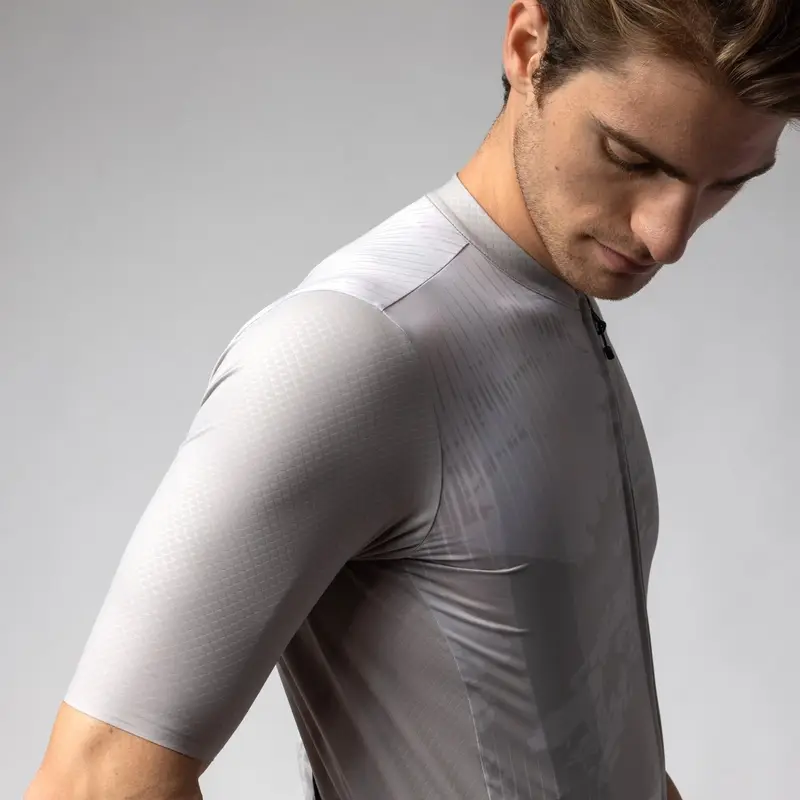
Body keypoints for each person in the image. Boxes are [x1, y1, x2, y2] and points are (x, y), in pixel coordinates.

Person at [25, 1, 797, 799]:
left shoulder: (559, 311)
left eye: (725, 184)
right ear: (528, 45)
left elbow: (587, 727)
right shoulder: (355, 349)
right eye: (632, 158)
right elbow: (96, 780)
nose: (669, 237)